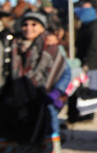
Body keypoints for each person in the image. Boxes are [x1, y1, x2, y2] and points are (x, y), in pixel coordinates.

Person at [0, 11, 69, 152]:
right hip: (17, 102)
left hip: (44, 101)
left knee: (45, 140)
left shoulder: (52, 46)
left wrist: (56, 93)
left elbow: (65, 72)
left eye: (34, 24)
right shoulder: (12, 44)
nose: (28, 28)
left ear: (43, 27)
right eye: (25, 24)